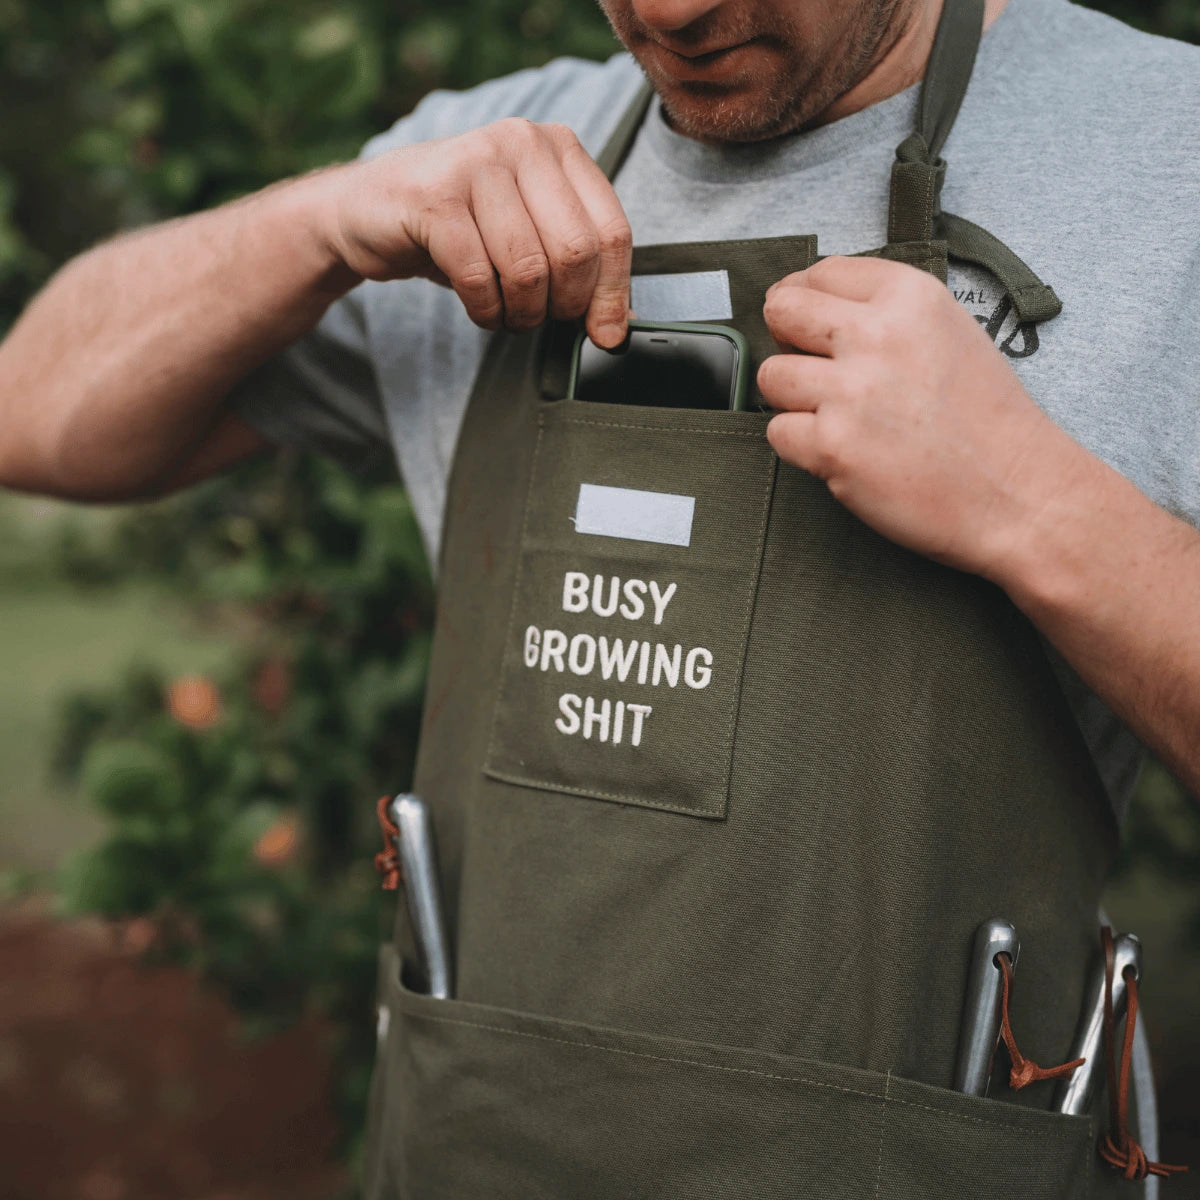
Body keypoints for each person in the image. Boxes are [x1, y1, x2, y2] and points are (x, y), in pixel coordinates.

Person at [0, 0, 1195, 1193]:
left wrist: (1035, 503)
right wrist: (317, 226)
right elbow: (34, 413)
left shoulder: (1161, 155)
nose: (673, 11)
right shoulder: (493, 161)